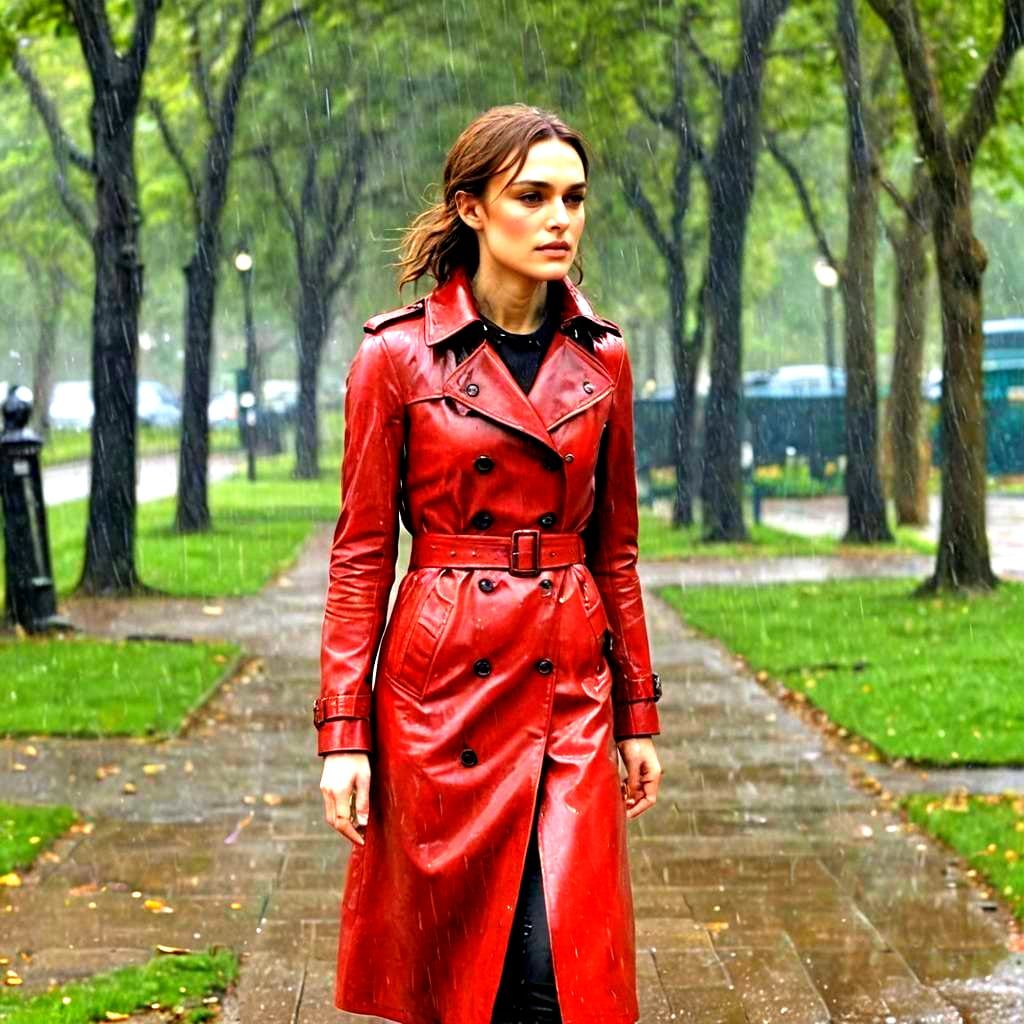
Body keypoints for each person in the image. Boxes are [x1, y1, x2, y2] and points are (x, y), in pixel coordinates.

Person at [315, 103, 664, 1024]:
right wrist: (345, 734)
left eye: (575, 198)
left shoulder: (606, 358)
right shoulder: (395, 356)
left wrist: (638, 713)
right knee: (465, 975)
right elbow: (358, 557)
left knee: (563, 970)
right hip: (441, 690)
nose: (561, 219)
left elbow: (616, 551)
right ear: (470, 207)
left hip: (570, 686)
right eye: (533, 196)